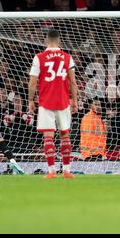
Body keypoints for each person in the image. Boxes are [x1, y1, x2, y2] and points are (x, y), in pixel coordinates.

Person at [28, 29, 78, 179]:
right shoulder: (67, 57)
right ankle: (67, 171)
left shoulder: (39, 57)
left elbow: (32, 82)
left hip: (45, 102)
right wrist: (74, 100)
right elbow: (73, 82)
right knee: (65, 136)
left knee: (48, 137)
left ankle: (51, 171)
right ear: (59, 41)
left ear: (46, 41)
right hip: (63, 101)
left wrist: (30, 100)